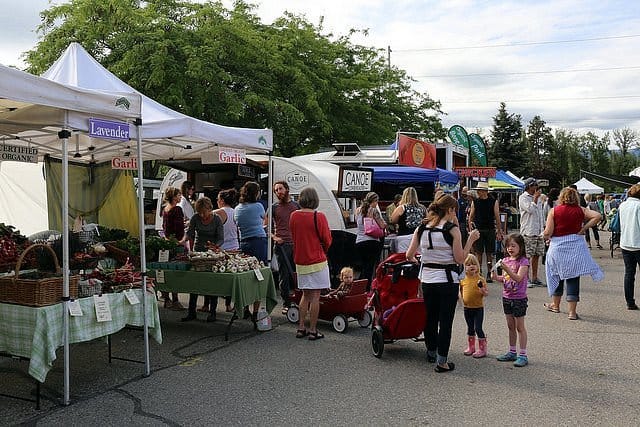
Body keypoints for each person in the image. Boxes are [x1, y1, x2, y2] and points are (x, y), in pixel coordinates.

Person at [406, 195, 480, 373]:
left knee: (430, 317)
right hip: (447, 280)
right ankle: (442, 361)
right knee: (445, 321)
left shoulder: (422, 227)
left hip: (428, 280)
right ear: (450, 210)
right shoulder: (452, 229)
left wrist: (423, 261)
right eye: (455, 210)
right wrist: (470, 240)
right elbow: (460, 258)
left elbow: (409, 255)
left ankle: (431, 351)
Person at [543, 187, 604, 320]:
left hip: (557, 249)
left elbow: (548, 232)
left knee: (556, 275)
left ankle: (555, 305)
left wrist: (544, 237)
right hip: (576, 248)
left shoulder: (554, 211)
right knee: (573, 277)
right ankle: (572, 312)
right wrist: (583, 228)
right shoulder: (580, 210)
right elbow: (598, 216)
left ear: (561, 197)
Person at [289, 186, 333, 340]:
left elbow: (293, 235)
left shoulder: (293, 216)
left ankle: (301, 327)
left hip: (300, 260)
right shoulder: (319, 216)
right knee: (315, 296)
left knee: (305, 295)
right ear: (315, 200)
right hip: (317, 260)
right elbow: (327, 239)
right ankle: (313, 330)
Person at [180, 197, 224, 322]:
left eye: (204, 212)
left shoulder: (217, 219)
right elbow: (190, 233)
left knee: (212, 282)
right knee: (194, 282)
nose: (202, 215)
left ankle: (213, 312)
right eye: (200, 213)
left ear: (210, 209)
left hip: (212, 253)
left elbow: (221, 238)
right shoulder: (195, 218)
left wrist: (216, 246)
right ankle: (191, 312)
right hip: (198, 252)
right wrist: (183, 240)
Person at [491, 233, 530, 367]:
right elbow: (506, 278)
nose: (510, 248)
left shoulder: (524, 261)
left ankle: (523, 354)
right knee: (510, 326)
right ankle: (512, 351)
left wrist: (506, 269)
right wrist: (496, 277)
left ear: (521, 246)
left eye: (513, 246)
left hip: (519, 298)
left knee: (520, 326)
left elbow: (518, 278)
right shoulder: (506, 260)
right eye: (508, 246)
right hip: (507, 297)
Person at [234, 181, 267, 321]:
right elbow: (264, 220)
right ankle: (255, 312)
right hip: (258, 242)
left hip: (244, 243)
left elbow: (237, 224)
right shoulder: (258, 206)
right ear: (256, 193)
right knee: (258, 276)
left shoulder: (237, 208)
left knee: (246, 276)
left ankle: (245, 308)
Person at [265, 180, 299, 315]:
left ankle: (299, 300)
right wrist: (274, 237)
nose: (278, 192)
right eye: (276, 190)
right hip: (281, 245)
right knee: (284, 275)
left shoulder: (296, 205)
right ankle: (286, 303)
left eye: (280, 189)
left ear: (287, 189)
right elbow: (266, 227)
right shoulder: (273, 207)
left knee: (298, 274)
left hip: (296, 244)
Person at [205, 188, 239, 313]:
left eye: (218, 199)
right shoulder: (236, 211)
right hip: (234, 246)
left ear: (222, 200)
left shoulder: (218, 212)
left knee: (215, 278)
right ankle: (228, 305)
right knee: (231, 275)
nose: (217, 201)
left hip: (221, 248)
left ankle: (207, 305)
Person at [468, 181, 503, 283]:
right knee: (479, 253)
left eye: (480, 190)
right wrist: (471, 229)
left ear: (485, 191)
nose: (478, 192)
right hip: (478, 229)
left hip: (490, 229)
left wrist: (499, 231)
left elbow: (497, 216)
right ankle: (479, 273)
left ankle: (489, 272)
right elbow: (471, 216)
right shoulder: (475, 201)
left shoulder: (493, 201)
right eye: (478, 190)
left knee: (489, 253)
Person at [355, 192, 387, 290]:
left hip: (359, 241)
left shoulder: (358, 210)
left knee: (364, 267)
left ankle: (359, 286)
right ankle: (366, 288)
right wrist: (385, 224)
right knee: (369, 268)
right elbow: (382, 225)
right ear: (374, 201)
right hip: (372, 241)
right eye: (376, 201)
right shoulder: (373, 211)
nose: (377, 203)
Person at [459, 253, 488, 358]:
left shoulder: (480, 279)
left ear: (477, 266)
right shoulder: (463, 280)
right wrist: (460, 299)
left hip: (478, 308)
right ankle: (471, 347)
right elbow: (460, 291)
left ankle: (482, 348)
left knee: (478, 328)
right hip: (467, 308)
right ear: (464, 267)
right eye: (468, 264)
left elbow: (486, 293)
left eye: (474, 264)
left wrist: (482, 290)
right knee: (470, 328)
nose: (471, 266)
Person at [160, 186, 184, 310]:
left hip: (166, 243)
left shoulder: (165, 209)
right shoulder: (177, 209)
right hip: (176, 243)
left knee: (166, 272)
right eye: (179, 195)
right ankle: (175, 300)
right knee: (175, 273)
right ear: (174, 197)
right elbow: (179, 228)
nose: (180, 197)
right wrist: (182, 240)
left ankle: (166, 298)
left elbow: (165, 227)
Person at [519, 178, 545, 288]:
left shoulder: (538, 198)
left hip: (538, 231)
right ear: (530, 186)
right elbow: (530, 210)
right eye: (535, 186)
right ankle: (526, 278)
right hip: (528, 231)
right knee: (527, 256)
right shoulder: (523, 197)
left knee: (537, 255)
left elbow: (540, 213)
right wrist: (534, 199)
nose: (537, 188)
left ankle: (535, 277)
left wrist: (543, 226)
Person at [618, 184, 640, 310]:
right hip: (638, 243)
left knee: (629, 274)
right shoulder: (639, 206)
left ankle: (630, 302)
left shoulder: (623, 205)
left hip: (626, 243)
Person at [390, 187, 426, 254]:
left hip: (404, 236)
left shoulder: (401, 208)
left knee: (403, 258)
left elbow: (393, 220)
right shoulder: (422, 208)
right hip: (419, 236)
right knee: (418, 257)